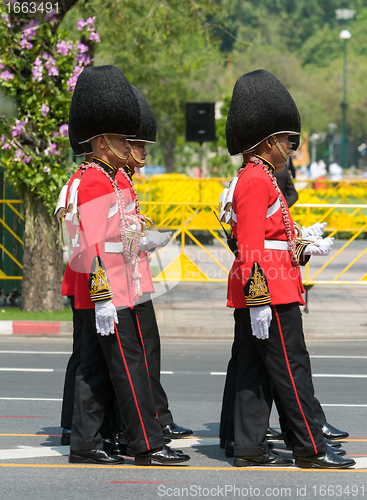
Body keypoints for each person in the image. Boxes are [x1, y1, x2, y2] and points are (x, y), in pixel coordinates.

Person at [221, 69, 355, 469]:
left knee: (253, 371)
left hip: (273, 282)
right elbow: (249, 246)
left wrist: (303, 242)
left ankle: (249, 446)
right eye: (284, 139)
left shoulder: (262, 176)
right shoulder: (255, 179)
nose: (289, 147)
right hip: (271, 290)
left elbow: (272, 237)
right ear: (266, 140)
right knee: (291, 369)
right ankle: (309, 447)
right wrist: (259, 297)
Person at [65, 65, 190, 466]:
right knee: (129, 367)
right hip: (113, 289)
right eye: (121, 137)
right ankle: (147, 444)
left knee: (94, 369)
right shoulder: (96, 180)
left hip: (122, 283)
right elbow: (92, 246)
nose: (127, 143)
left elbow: (116, 238)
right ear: (102, 141)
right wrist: (103, 296)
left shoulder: (106, 175)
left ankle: (86, 443)